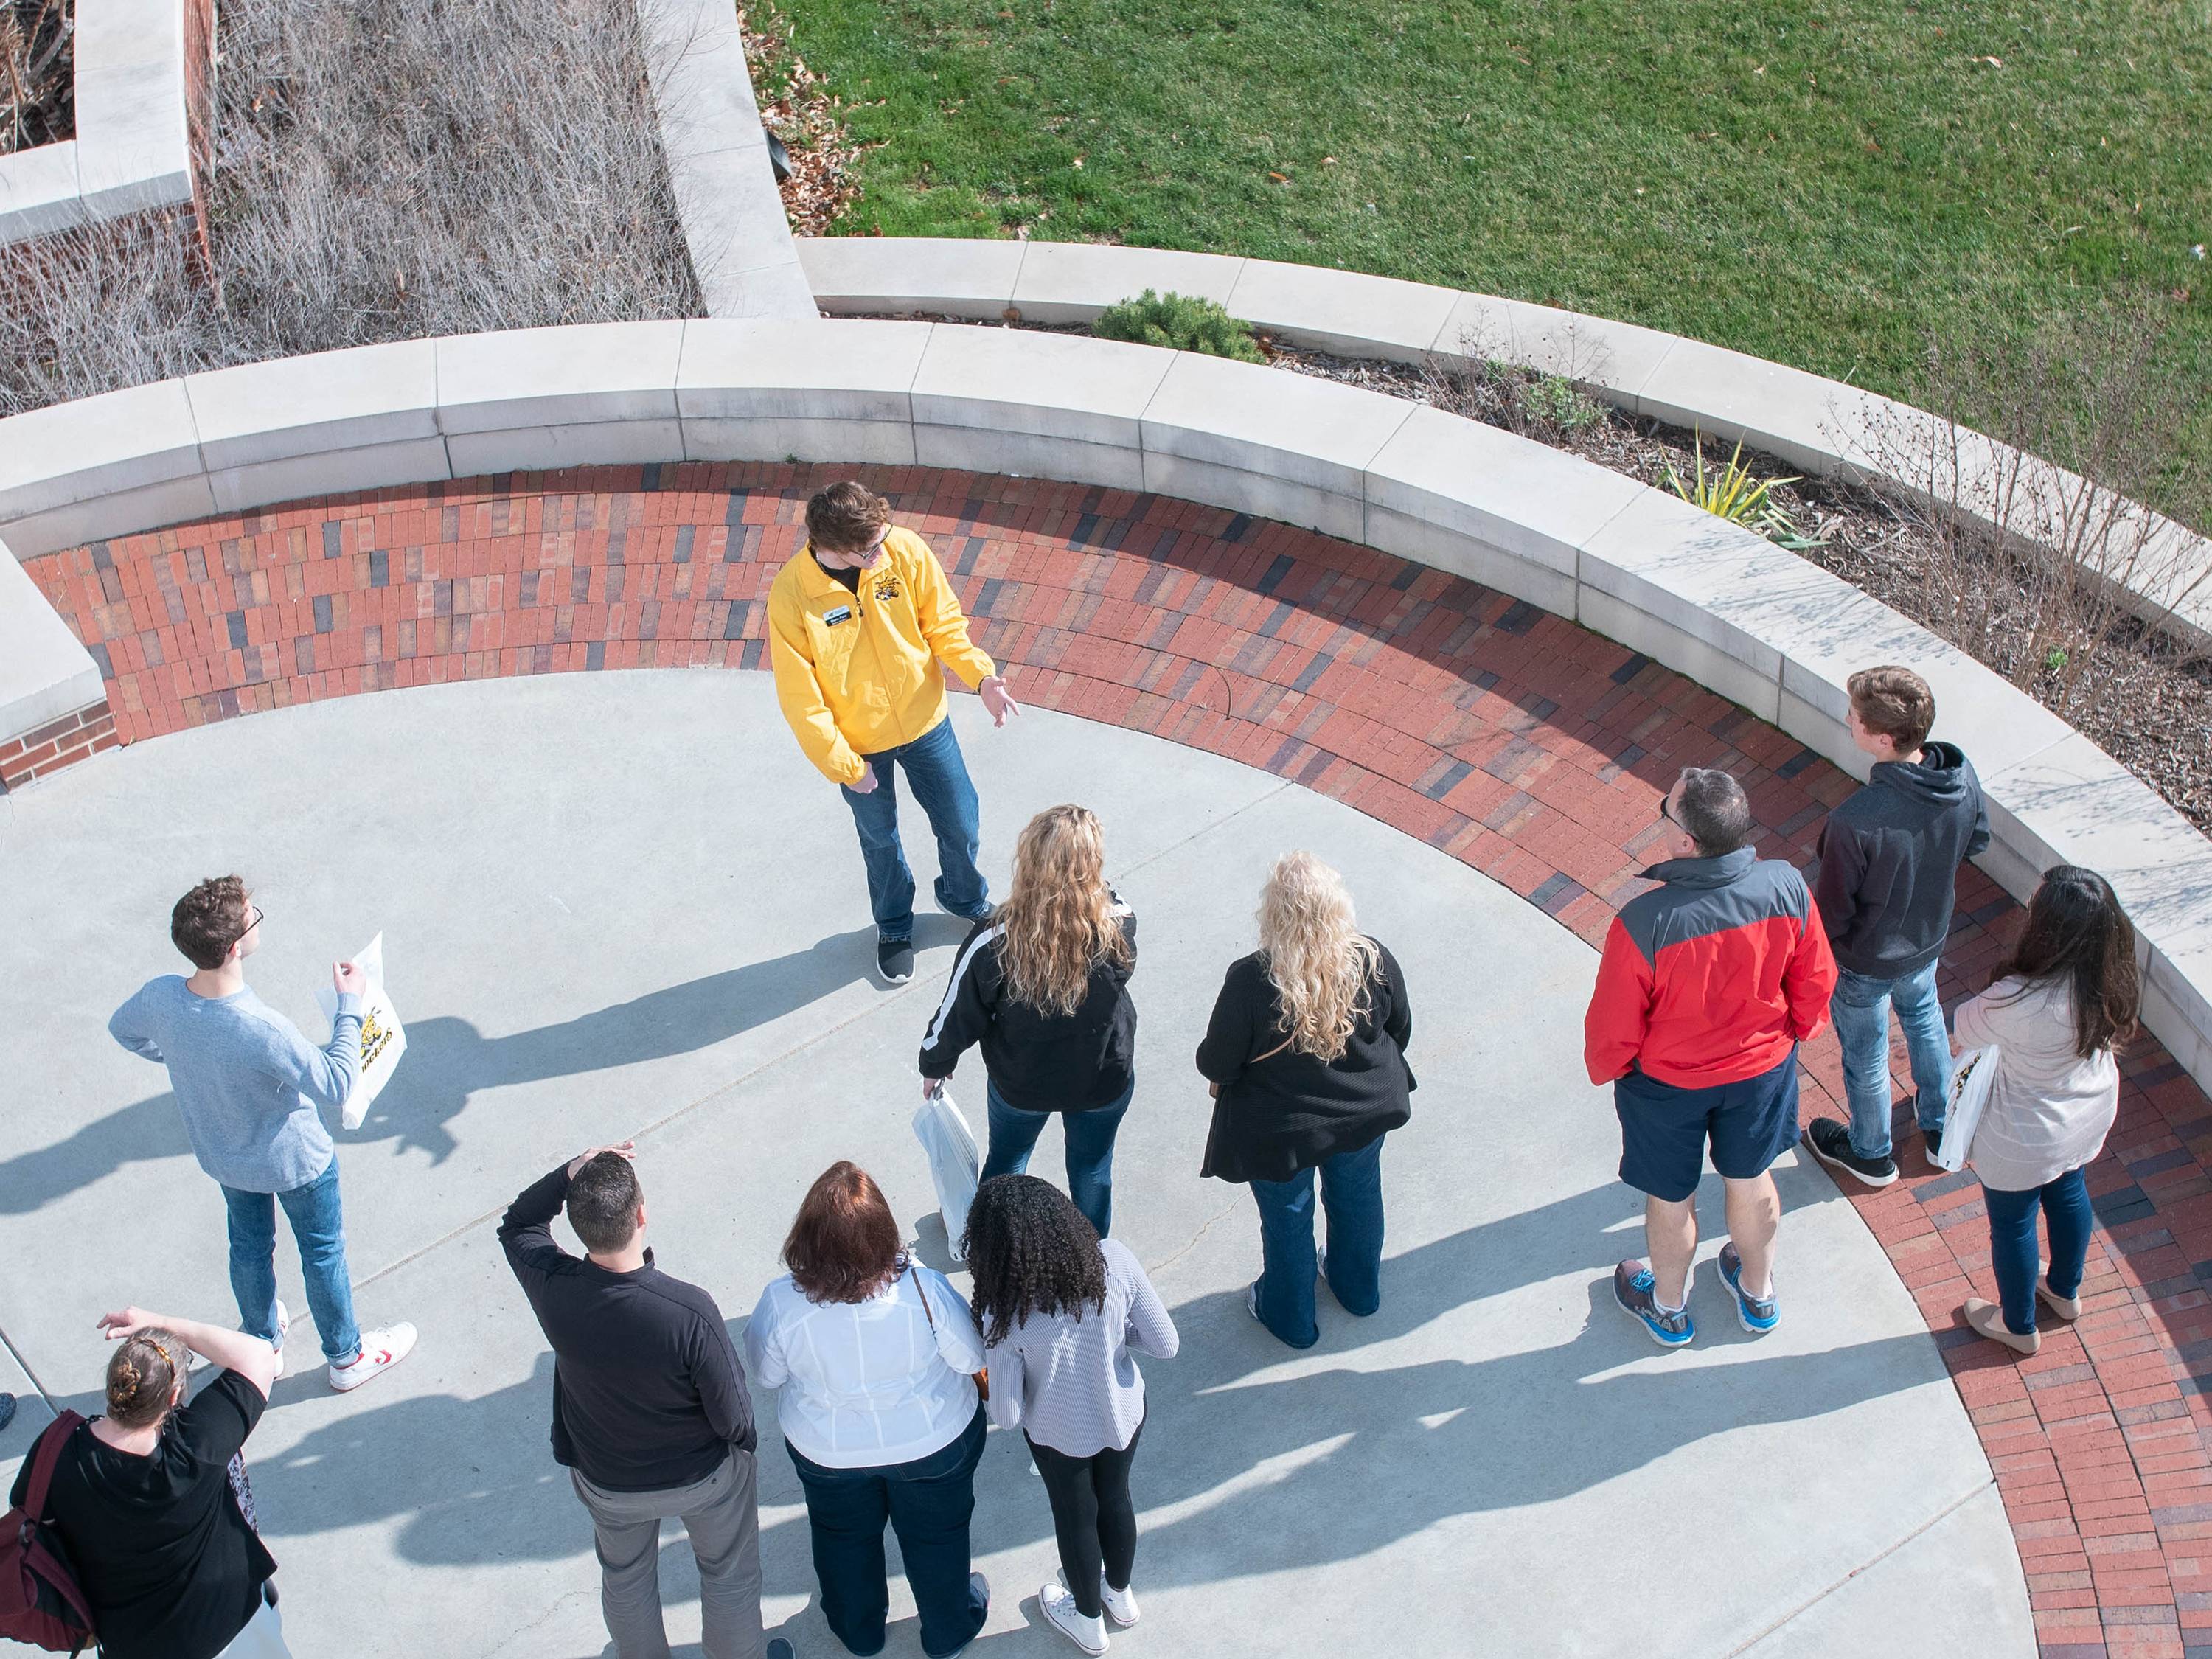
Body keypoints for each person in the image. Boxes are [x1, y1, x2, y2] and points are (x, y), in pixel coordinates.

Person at [107, 876, 415, 1393]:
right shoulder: (261, 1028)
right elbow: (338, 1082)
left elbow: (123, 1029)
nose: (257, 919)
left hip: (227, 1157)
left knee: (248, 1246)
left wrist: (184, 1059)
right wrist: (350, 1005)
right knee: (321, 1253)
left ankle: (260, 1343)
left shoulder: (161, 998)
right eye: (254, 916)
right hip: (299, 1163)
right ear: (233, 948)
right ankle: (346, 1356)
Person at [499, 1143, 785, 1659]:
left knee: (626, 1580)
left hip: (608, 1482)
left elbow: (518, 1225)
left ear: (579, 1227)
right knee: (728, 1578)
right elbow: (735, 1417)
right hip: (703, 1480)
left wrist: (572, 1171)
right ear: (642, 1215)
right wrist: (741, 1455)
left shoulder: (551, 1287)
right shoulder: (688, 1311)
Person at [1585, 768, 1837, 1347]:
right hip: (1762, 1070)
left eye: (1664, 810)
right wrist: (1795, 1030)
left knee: (1672, 1198)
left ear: (1685, 844)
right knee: (1751, 1179)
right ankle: (1757, 1293)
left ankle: (1668, 1308)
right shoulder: (1787, 886)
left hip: (1666, 1088)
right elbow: (1816, 977)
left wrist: (1616, 1070)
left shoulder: (1645, 922)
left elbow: (1612, 1027)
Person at [768, 481, 1022, 987]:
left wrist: (982, 678)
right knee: (880, 842)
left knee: (961, 821)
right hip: (860, 748)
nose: (883, 550)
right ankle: (894, 927)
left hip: (925, 722)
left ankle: (963, 897)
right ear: (832, 546)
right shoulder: (792, 596)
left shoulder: (902, 550)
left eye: (882, 538)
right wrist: (845, 765)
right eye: (871, 548)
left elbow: (944, 625)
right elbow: (801, 699)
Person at [743, 1163, 990, 1659]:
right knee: (938, 1538)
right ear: (883, 1232)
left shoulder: (780, 1301)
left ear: (806, 1236)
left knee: (842, 1541)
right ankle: (947, 1630)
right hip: (934, 1442)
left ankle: (860, 1633)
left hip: (828, 1451)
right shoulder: (925, 1289)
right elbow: (971, 1358)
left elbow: (766, 1376)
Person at [1196, 852, 1413, 1351]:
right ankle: (1358, 1292)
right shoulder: (1371, 957)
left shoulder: (1251, 980)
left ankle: (1292, 1320)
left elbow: (1218, 1064)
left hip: (1281, 1135)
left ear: (1274, 915)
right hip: (1364, 1114)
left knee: (1289, 1221)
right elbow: (1400, 1027)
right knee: (1357, 1197)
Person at [965, 1175, 1179, 1656]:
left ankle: (1087, 1622)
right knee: (1117, 1498)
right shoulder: (1117, 1261)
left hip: (1057, 1438)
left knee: (1076, 1520)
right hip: (1125, 1414)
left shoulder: (1003, 1313)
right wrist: (1117, 1349)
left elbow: (1008, 1412)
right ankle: (1120, 1598)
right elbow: (1166, 1344)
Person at [1804, 665, 1991, 1186]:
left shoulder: (1854, 821)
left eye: (1855, 717)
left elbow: (1834, 912)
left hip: (1864, 962)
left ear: (1883, 739)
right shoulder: (1959, 776)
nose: (1848, 720)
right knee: (1926, 1018)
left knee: (1866, 1056)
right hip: (1928, 941)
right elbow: (1976, 842)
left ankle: (1871, 1152)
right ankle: (1939, 1125)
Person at [10, 1305, 284, 1658]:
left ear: (113, 1388)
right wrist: (163, 1323)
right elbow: (258, 1354)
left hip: (131, 1645)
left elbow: (30, 1514)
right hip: (232, 1630)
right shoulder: (194, 1450)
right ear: (173, 1398)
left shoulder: (58, 1448)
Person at [919, 805, 1138, 1238]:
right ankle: (1094, 1258)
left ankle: (991, 1244)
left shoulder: (994, 939)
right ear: (1092, 866)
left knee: (1007, 1164)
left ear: (1030, 861)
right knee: (1092, 1170)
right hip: (1101, 1077)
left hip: (1021, 1084)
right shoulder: (1120, 923)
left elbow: (959, 1012)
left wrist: (934, 1062)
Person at [1956, 866, 2139, 1357]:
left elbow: (1963, 1028)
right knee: (2069, 1190)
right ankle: (2064, 1289)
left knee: (2014, 1225)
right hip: (2086, 1114)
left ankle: (2017, 1325)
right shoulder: (2108, 979)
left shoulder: (2015, 998)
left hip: (2025, 1136)